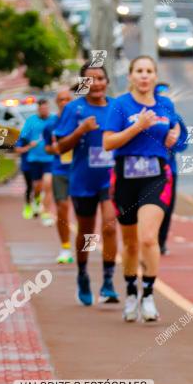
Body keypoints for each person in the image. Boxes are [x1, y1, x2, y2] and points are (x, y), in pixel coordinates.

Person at [103, 56, 180, 323]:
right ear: (131, 77)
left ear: (155, 77)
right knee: (131, 243)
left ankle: (148, 294)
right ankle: (131, 292)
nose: (144, 76)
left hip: (157, 176)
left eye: (149, 71)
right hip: (125, 176)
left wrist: (174, 136)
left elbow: (175, 126)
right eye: (139, 71)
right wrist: (138, 126)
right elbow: (108, 143)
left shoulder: (165, 104)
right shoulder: (120, 105)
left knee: (148, 237)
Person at [55, 64, 119, 306]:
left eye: (101, 78)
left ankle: (109, 281)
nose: (97, 83)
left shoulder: (116, 107)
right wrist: (81, 129)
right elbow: (61, 147)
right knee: (87, 232)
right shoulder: (74, 109)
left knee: (110, 226)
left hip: (109, 180)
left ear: (107, 81)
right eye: (90, 79)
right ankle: (82, 275)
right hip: (83, 180)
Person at [155, 82, 189, 256]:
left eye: (167, 95)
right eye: (160, 95)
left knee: (167, 207)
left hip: (170, 170)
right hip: (149, 170)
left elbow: (183, 143)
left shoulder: (175, 118)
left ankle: (160, 242)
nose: (164, 99)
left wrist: (171, 142)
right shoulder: (147, 115)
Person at [43, 87, 74, 264]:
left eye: (67, 99)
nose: (64, 102)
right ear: (57, 103)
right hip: (59, 170)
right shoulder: (51, 125)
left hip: (79, 170)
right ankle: (65, 248)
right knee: (62, 207)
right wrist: (53, 149)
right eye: (61, 99)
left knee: (84, 212)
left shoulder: (80, 121)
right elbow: (47, 147)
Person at [16, 98, 54, 224]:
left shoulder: (54, 120)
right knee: (37, 186)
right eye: (42, 108)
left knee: (48, 184)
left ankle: (46, 213)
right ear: (38, 109)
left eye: (46, 108)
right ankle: (36, 200)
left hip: (49, 158)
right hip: (34, 159)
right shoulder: (31, 121)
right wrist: (25, 146)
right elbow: (23, 138)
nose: (44, 110)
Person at [15, 132, 34, 219]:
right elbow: (17, 150)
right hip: (27, 166)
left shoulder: (40, 135)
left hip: (39, 164)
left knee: (40, 185)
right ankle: (27, 206)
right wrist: (30, 146)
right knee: (29, 186)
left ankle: (37, 205)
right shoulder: (23, 138)